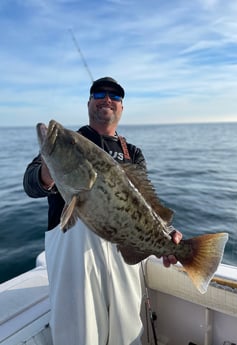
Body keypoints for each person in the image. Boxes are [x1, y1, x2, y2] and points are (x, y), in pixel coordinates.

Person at [23, 77, 182, 345]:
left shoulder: (133, 153)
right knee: (79, 335)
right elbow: (31, 183)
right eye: (99, 93)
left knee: (127, 333)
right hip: (75, 262)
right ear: (89, 103)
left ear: (121, 108)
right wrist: (51, 170)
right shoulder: (70, 142)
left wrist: (166, 235)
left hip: (124, 257)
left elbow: (144, 204)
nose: (107, 99)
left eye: (115, 96)